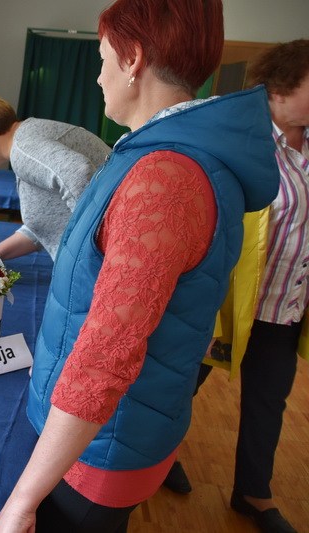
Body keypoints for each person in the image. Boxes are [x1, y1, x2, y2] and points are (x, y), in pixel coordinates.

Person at [0, 0, 281, 531]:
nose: (98, 77)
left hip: (100, 444)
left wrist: (21, 502)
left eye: (103, 60)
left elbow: (105, 356)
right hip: (105, 431)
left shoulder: (165, 177)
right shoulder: (158, 155)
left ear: (133, 60)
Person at [171, 39, 309, 533]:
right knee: (181, 387)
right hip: (227, 303)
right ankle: (158, 458)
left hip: (285, 306)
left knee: (268, 403)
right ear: (280, 87)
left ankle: (253, 492)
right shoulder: (243, 143)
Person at [0, 89, 111, 261]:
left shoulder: (24, 149)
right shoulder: (26, 138)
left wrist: (89, 251)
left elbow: (78, 172)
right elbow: (44, 225)